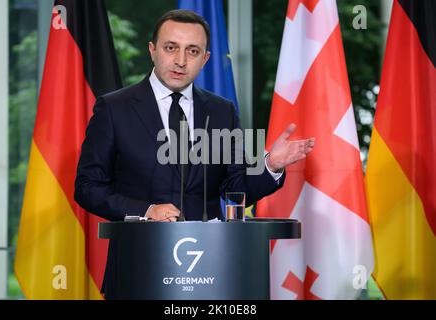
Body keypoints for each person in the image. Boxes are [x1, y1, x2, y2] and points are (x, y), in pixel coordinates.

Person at [74, 9, 314, 296]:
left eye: (193, 51)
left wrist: (270, 165)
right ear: (152, 50)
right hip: (137, 269)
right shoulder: (114, 109)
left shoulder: (221, 111)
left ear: (205, 59)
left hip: (212, 274)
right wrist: (145, 211)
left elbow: (236, 187)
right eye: (171, 48)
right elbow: (87, 187)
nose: (180, 61)